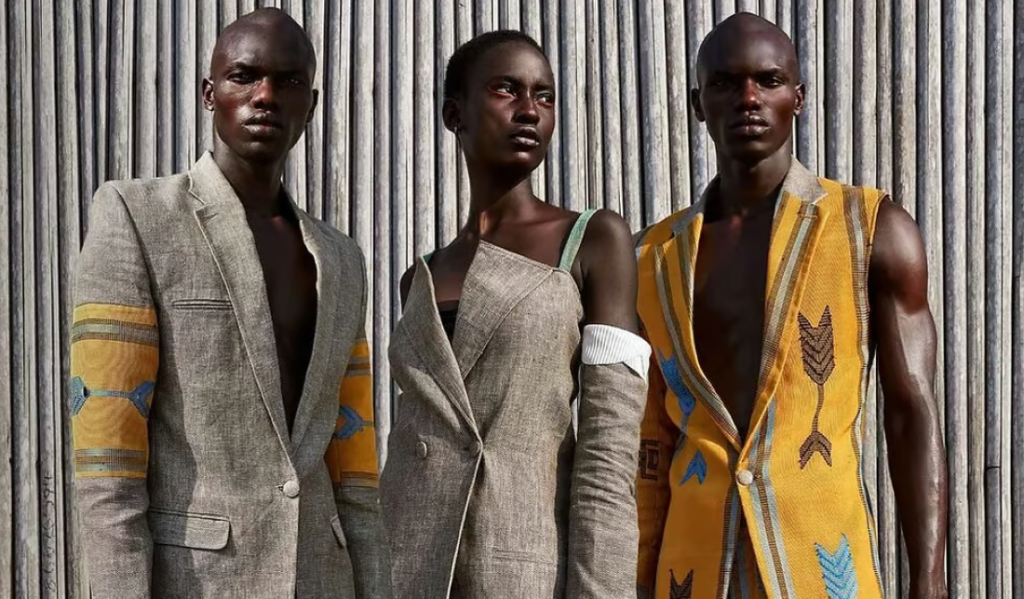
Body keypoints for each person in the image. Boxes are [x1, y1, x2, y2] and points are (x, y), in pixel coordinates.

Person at [70, 9, 390, 598]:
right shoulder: (137, 218)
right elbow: (108, 465)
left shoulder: (342, 259)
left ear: (311, 105)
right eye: (244, 76)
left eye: (288, 81)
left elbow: (356, 472)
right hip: (200, 582)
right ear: (209, 93)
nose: (265, 96)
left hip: (323, 580)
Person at [634, 13, 948, 599]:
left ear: (798, 97)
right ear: (698, 104)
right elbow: (648, 446)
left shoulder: (869, 230)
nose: (749, 98)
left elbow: (912, 413)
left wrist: (929, 583)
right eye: (725, 82)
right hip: (691, 571)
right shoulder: (652, 258)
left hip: (821, 568)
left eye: (769, 80)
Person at [379, 30, 651, 599]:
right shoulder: (419, 278)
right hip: (408, 566)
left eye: (544, 95)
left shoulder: (592, 241)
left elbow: (607, 455)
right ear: (455, 114)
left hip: (523, 570)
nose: (529, 109)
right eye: (506, 90)